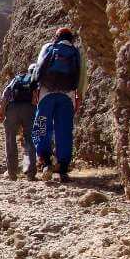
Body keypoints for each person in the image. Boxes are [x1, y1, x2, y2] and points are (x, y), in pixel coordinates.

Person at [31, 27, 88, 183]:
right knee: (64, 130)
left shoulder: (48, 47)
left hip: (46, 94)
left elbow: (38, 68)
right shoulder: (76, 52)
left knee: (42, 126)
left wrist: (35, 89)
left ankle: (45, 161)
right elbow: (83, 76)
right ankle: (63, 168)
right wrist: (79, 96)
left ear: (56, 36)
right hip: (67, 96)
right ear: (71, 38)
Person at [0, 63, 39, 181]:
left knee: (10, 140)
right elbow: (37, 98)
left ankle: (11, 172)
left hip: (12, 110)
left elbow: (6, 95)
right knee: (30, 139)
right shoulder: (34, 80)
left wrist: (1, 111)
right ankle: (31, 173)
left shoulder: (15, 80)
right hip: (29, 109)